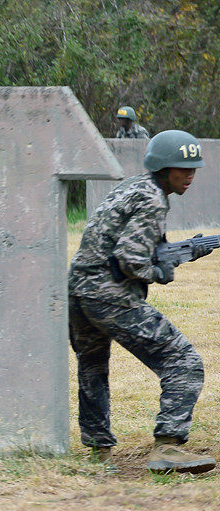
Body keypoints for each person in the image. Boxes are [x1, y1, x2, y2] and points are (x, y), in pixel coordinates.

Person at [68, 129, 215, 474]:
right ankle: (168, 447)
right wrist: (160, 271)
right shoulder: (153, 198)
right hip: (109, 294)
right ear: (164, 168)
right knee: (184, 362)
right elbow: (132, 259)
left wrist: (179, 253)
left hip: (79, 290)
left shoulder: (133, 188)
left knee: (92, 369)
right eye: (182, 168)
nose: (190, 174)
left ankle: (99, 455)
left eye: (194, 168)